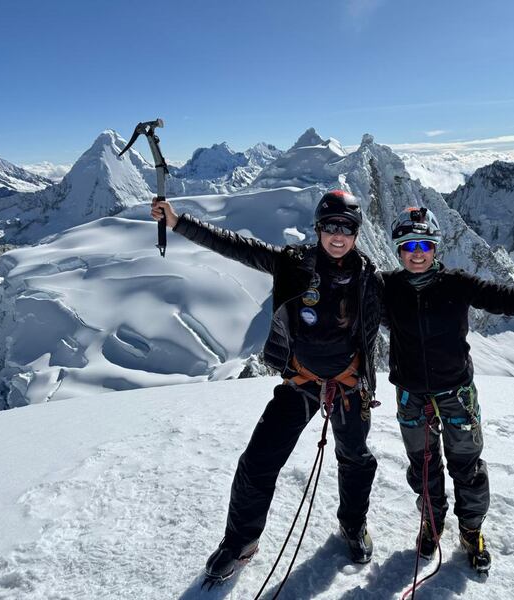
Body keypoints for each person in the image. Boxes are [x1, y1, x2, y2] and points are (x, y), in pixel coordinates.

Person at [150, 190, 383, 583]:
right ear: (318, 229)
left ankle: (353, 525)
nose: (338, 235)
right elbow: (237, 247)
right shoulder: (292, 263)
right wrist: (178, 222)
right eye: (330, 226)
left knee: (356, 458)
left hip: (347, 384)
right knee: (257, 462)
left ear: (357, 233)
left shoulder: (369, 278)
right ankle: (240, 541)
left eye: (346, 228)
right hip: (301, 382)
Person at [381, 206, 514, 573]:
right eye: (409, 245)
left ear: (435, 249)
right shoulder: (386, 288)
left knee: (467, 467)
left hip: (455, 393)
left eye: (424, 245)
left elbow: (508, 301)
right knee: (423, 466)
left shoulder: (457, 284)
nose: (417, 252)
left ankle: (471, 530)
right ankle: (432, 523)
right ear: (399, 249)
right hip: (412, 395)